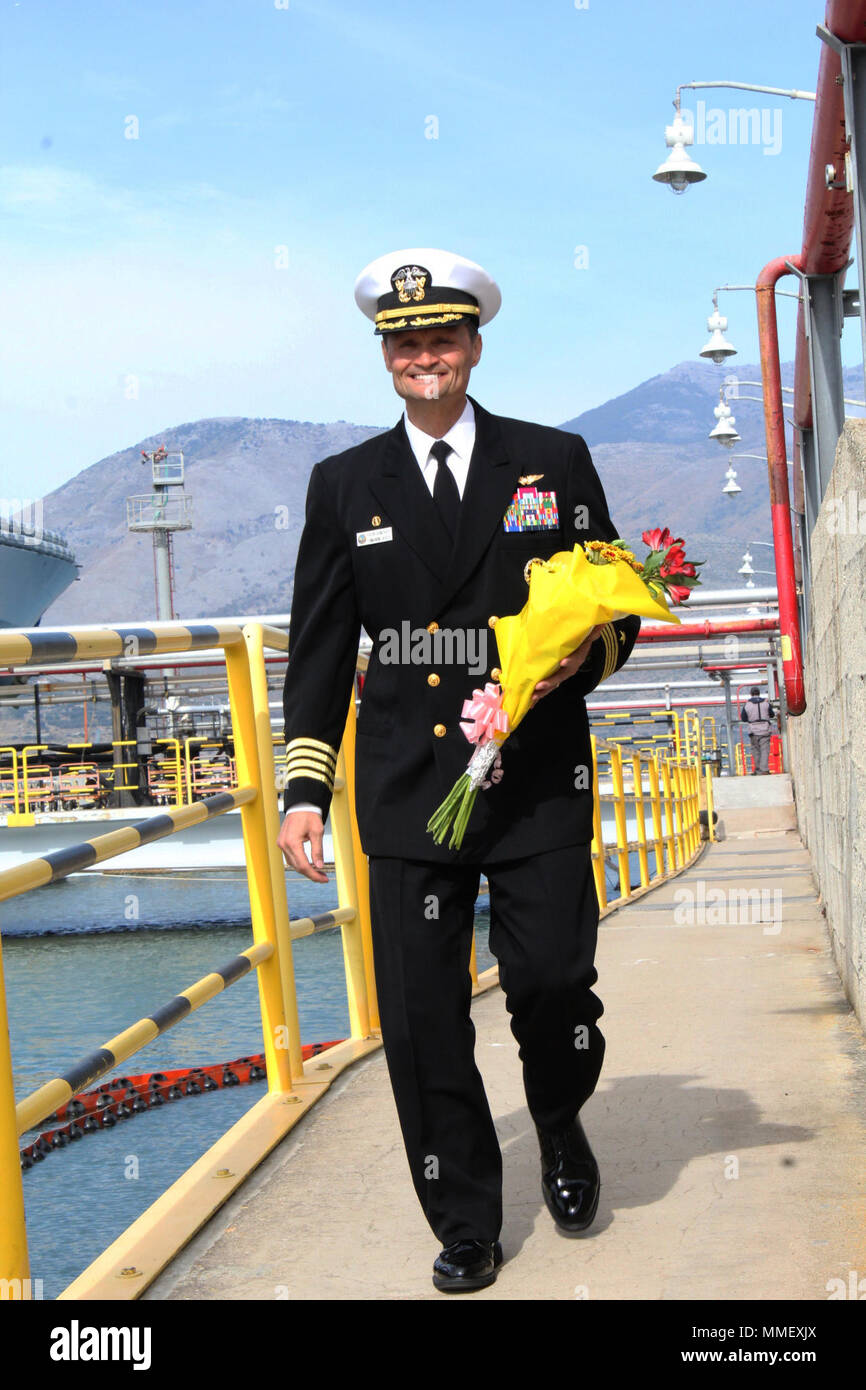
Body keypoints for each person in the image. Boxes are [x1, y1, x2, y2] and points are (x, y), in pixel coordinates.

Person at [277, 247, 640, 1293]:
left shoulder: (551, 461)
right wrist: (306, 784)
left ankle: (562, 1119)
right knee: (422, 1019)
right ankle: (465, 1217)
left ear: (473, 345)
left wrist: (582, 658)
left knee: (553, 988)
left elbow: (611, 609)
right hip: (404, 791)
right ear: (384, 358)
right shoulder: (343, 484)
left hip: (532, 781)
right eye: (403, 342)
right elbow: (319, 648)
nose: (422, 357)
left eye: (440, 337)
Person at [740, 685, 776, 775]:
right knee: (764, 750)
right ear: (759, 693)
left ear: (751, 694)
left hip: (753, 730)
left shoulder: (747, 705)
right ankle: (764, 770)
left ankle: (757, 769)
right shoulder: (766, 703)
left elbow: (743, 718)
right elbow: (772, 715)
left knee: (756, 750)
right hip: (765, 729)